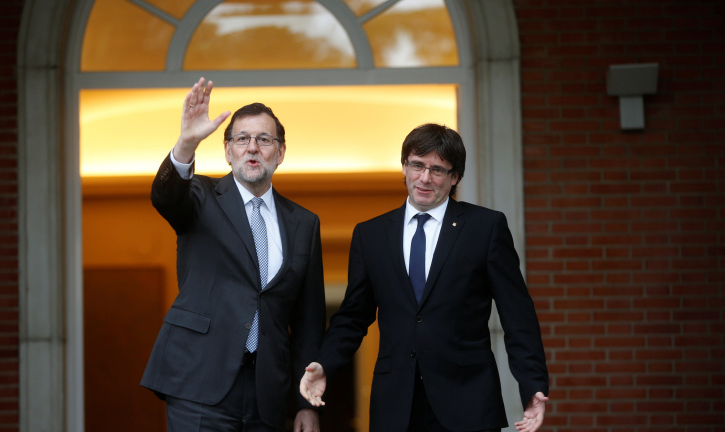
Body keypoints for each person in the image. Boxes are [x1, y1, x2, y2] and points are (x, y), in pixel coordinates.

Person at [300, 123, 549, 432]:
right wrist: (324, 363)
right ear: (404, 167)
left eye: (438, 170)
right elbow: (352, 317)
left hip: (468, 402)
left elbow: (517, 314)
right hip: (396, 407)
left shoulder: (485, 228)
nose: (425, 178)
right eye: (417, 165)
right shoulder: (371, 235)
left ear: (455, 177)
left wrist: (532, 385)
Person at [141, 77, 326, 432]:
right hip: (198, 382)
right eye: (242, 139)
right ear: (228, 151)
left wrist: (306, 405)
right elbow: (165, 197)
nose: (252, 147)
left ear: (280, 153)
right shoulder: (200, 196)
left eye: (264, 139)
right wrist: (186, 144)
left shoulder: (304, 223)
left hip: (266, 393)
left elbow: (308, 323)